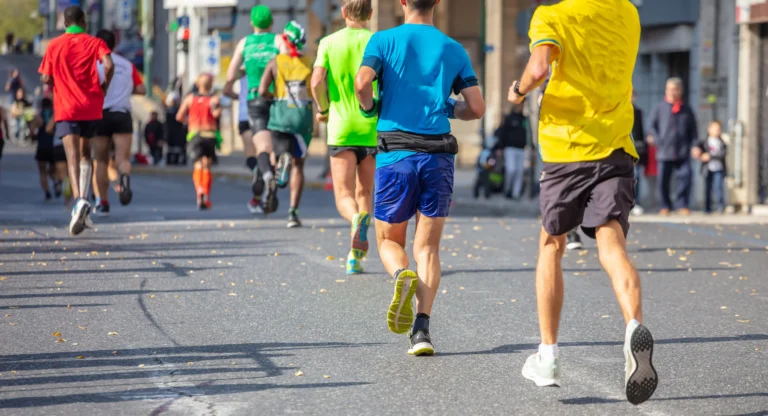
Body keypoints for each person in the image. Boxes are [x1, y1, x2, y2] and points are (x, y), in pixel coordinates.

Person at [508, 0, 657, 404]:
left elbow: (539, 68)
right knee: (611, 243)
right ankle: (632, 327)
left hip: (567, 149)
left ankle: (549, 356)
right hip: (616, 148)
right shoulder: (627, 12)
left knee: (551, 244)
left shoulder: (553, 16)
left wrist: (518, 91)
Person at [355, 0, 485, 356]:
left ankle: (401, 276)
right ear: (437, 3)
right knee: (427, 248)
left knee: (389, 242)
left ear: (401, 3)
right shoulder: (452, 48)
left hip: (396, 154)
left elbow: (362, 82)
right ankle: (421, 331)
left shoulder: (383, 41)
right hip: (438, 157)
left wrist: (370, 107)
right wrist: (447, 107)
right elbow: (476, 107)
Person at [312, 0, 377, 274]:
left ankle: (355, 220)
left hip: (340, 127)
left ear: (343, 12)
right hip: (371, 126)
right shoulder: (377, 41)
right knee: (365, 191)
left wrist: (323, 108)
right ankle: (355, 258)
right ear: (370, 14)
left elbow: (316, 82)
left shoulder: (328, 42)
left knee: (344, 194)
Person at [39, 6, 114, 235]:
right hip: (90, 105)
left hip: (67, 107)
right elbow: (109, 64)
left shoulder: (54, 45)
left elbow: (45, 77)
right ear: (83, 20)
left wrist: (55, 79)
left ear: (64, 22)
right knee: (85, 155)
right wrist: (103, 88)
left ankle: (80, 201)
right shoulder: (94, 42)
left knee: (71, 155)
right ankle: (84, 207)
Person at [223, 5, 285, 213]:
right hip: (277, 99)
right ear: (272, 23)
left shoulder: (245, 43)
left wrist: (231, 89)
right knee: (275, 146)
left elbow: (230, 75)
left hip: (254, 100)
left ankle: (266, 175)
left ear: (252, 24)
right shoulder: (277, 41)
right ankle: (274, 176)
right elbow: (287, 65)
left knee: (262, 147)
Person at [258, 21, 313, 228]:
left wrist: (274, 95)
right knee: (299, 165)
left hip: (280, 117)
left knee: (278, 154)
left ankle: (280, 169)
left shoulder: (275, 62)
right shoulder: (310, 63)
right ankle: (293, 212)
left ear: (285, 39)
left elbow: (263, 90)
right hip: (302, 118)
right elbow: (317, 88)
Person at [91, 29, 144, 216]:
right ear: (115, 43)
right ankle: (124, 180)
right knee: (122, 158)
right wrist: (125, 91)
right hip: (122, 114)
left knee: (100, 161)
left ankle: (103, 202)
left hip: (100, 114)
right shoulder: (127, 65)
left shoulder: (94, 64)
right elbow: (141, 89)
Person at [647, 77, 698, 216]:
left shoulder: (687, 110)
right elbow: (651, 127)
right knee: (663, 180)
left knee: (686, 176)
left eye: (675, 89)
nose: (672, 92)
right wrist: (656, 140)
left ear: (680, 91)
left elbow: (693, 131)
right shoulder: (659, 108)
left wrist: (694, 146)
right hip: (664, 151)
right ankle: (665, 205)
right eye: (669, 89)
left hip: (682, 150)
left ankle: (682, 204)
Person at [176, 73, 222, 210]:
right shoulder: (214, 99)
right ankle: (206, 195)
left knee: (197, 165)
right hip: (209, 134)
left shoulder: (190, 99)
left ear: (197, 84)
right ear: (211, 84)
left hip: (194, 134)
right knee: (207, 165)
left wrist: (189, 121)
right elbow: (216, 115)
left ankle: (199, 190)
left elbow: (179, 116)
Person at [236, 75, 262, 214]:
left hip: (244, 113)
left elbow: (228, 88)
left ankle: (255, 171)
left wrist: (240, 96)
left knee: (250, 155)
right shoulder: (270, 57)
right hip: (264, 111)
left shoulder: (244, 64)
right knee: (264, 155)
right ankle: (259, 196)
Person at [34, 98, 67, 201]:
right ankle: (56, 181)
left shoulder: (38, 116)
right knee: (55, 169)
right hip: (53, 147)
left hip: (42, 147)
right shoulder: (55, 114)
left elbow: (32, 131)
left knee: (43, 171)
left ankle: (47, 192)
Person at [693, 120, 727, 213]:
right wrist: (697, 152)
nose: (717, 131)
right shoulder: (704, 142)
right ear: (709, 129)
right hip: (707, 169)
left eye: (719, 129)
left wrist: (710, 156)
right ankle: (707, 207)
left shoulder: (722, 143)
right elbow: (697, 147)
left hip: (718, 169)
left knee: (718, 187)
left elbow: (722, 154)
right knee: (707, 189)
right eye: (715, 129)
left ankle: (720, 206)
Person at [495, 107, 528, 199]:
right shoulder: (509, 118)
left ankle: (515, 193)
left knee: (520, 172)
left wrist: (532, 147)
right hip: (510, 148)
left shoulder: (524, 119)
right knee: (511, 170)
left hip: (521, 148)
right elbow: (503, 132)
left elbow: (528, 133)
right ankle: (507, 189)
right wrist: (500, 147)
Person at [631, 91, 647, 215]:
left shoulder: (638, 112)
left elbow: (641, 132)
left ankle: (636, 202)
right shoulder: (617, 111)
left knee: (636, 176)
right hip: (620, 148)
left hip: (635, 149)